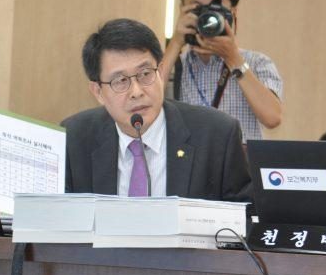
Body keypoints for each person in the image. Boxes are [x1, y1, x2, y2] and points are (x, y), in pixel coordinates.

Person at [64, 18, 251, 202]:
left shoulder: (217, 135)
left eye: (145, 74)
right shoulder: (73, 138)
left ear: (160, 73)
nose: (136, 92)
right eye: (120, 81)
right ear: (98, 92)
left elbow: (245, 214)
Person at [161, 0, 282, 141]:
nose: (208, 18)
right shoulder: (172, 64)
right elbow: (146, 99)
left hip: (238, 159)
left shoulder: (257, 63)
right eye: (197, 9)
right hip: (187, 158)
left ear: (233, 14)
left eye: (215, 10)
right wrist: (176, 42)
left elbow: (272, 117)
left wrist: (233, 58)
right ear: (181, 10)